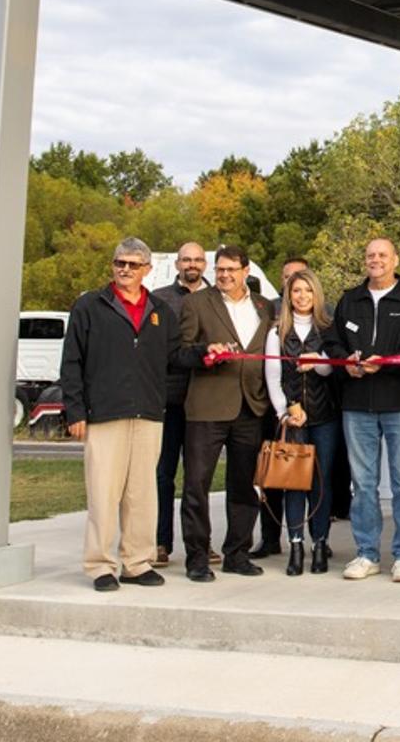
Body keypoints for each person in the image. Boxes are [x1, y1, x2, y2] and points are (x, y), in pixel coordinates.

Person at [60, 238, 176, 592]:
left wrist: (208, 353)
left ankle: (137, 563)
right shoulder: (90, 306)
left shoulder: (161, 311)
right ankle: (100, 566)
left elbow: (176, 357)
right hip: (104, 414)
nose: (124, 270)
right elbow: (71, 362)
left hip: (148, 415)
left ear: (147, 270)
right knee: (103, 493)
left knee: (142, 494)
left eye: (132, 264)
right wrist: (75, 410)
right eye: (119, 263)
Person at [325, 238, 400, 582]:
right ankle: (367, 553)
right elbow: (334, 343)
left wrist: (384, 364)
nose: (376, 260)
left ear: (395, 260)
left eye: (383, 255)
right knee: (363, 483)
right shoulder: (349, 300)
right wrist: (348, 364)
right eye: (370, 255)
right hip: (357, 404)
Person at [175, 244, 274, 582]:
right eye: (220, 269)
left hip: (251, 407)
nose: (224, 275)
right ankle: (198, 558)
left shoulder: (265, 307)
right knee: (196, 485)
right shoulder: (195, 304)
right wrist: (205, 352)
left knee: (245, 486)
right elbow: (179, 353)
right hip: (207, 408)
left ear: (247, 272)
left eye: (232, 269)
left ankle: (237, 553)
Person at [264, 269, 339, 575]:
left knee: (322, 482)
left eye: (308, 291)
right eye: (296, 291)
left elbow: (331, 371)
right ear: (288, 296)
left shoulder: (328, 329)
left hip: (325, 416)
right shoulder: (277, 332)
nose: (302, 296)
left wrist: (317, 361)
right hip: (294, 420)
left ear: (316, 294)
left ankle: (319, 542)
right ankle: (295, 543)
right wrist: (286, 410)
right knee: (294, 482)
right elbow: (272, 376)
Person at [150, 240, 207, 568]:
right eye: (187, 260)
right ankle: (160, 541)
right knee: (163, 474)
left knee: (197, 477)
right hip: (169, 399)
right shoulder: (160, 299)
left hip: (204, 399)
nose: (192, 265)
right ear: (177, 264)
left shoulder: (215, 298)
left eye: (198, 260)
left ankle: (200, 544)